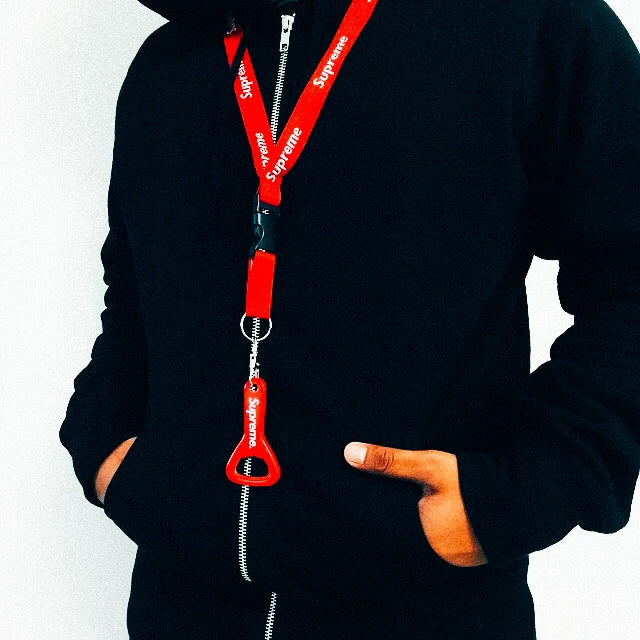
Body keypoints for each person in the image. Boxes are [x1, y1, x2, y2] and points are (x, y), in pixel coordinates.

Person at [59, 0, 640, 638]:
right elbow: (134, 291)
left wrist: (519, 493)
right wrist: (106, 442)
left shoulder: (530, 23)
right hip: (178, 609)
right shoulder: (166, 65)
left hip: (427, 610)